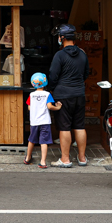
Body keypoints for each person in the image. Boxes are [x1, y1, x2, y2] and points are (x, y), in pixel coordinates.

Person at [48, 23, 89, 167]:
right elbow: (86, 74)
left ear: (62, 38)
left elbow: (53, 75)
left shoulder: (59, 55)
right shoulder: (83, 54)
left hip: (63, 95)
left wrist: (52, 89)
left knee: (64, 127)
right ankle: (82, 158)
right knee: (79, 125)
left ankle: (65, 159)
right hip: (79, 93)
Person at [24, 72, 62, 169]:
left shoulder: (31, 95)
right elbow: (49, 106)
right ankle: (43, 162)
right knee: (43, 141)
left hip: (34, 122)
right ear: (45, 83)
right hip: (45, 122)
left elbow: (29, 108)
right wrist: (57, 108)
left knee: (31, 140)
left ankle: (28, 158)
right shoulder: (47, 94)